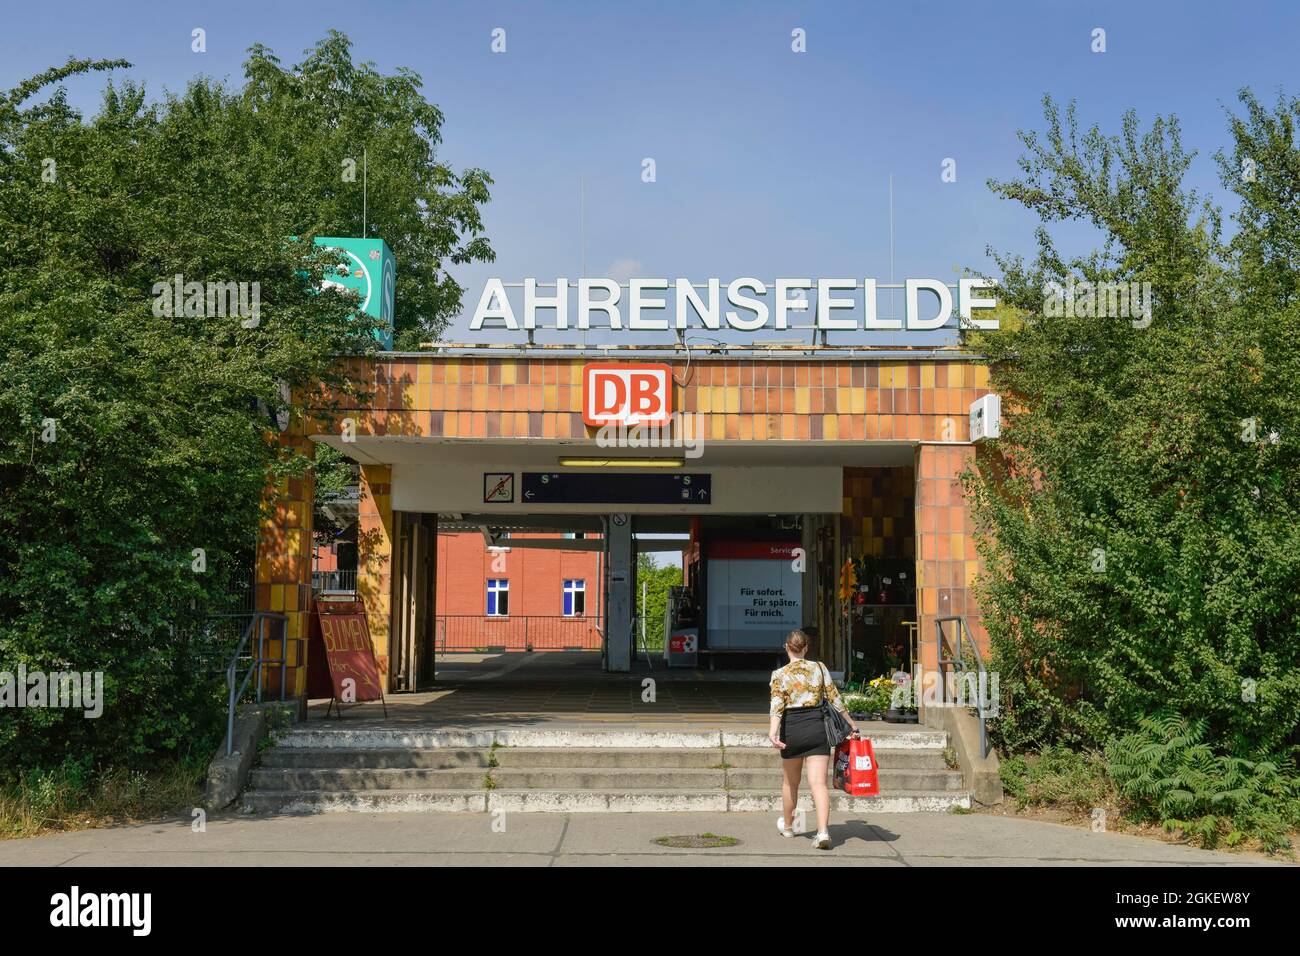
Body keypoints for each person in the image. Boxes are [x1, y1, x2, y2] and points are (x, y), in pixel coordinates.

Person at [768, 628, 857, 849]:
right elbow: (834, 698)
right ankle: (823, 832)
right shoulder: (819, 668)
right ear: (806, 648)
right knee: (818, 784)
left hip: (793, 731)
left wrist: (773, 732)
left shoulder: (779, 674)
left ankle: (788, 827)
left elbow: (777, 707)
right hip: (818, 729)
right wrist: (852, 724)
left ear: (786, 648)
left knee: (790, 783)